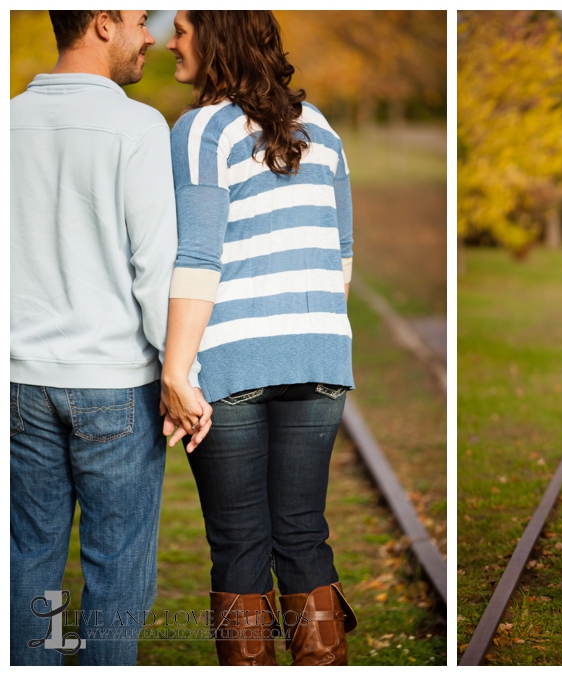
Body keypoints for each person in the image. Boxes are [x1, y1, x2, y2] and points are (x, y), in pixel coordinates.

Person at [9, 10, 211, 666]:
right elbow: (157, 266)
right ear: (101, 23)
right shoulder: (136, 127)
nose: (149, 35)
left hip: (20, 382)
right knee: (116, 572)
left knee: (28, 561)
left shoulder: (8, 123)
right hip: (115, 386)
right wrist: (180, 377)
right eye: (137, 20)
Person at [161, 10, 357, 665]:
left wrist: (176, 371)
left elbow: (197, 253)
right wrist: (314, 336)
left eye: (182, 28)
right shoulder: (323, 128)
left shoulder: (200, 128)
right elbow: (343, 253)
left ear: (215, 37)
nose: (170, 40)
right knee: (303, 532)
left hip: (233, 361)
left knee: (241, 542)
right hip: (321, 354)